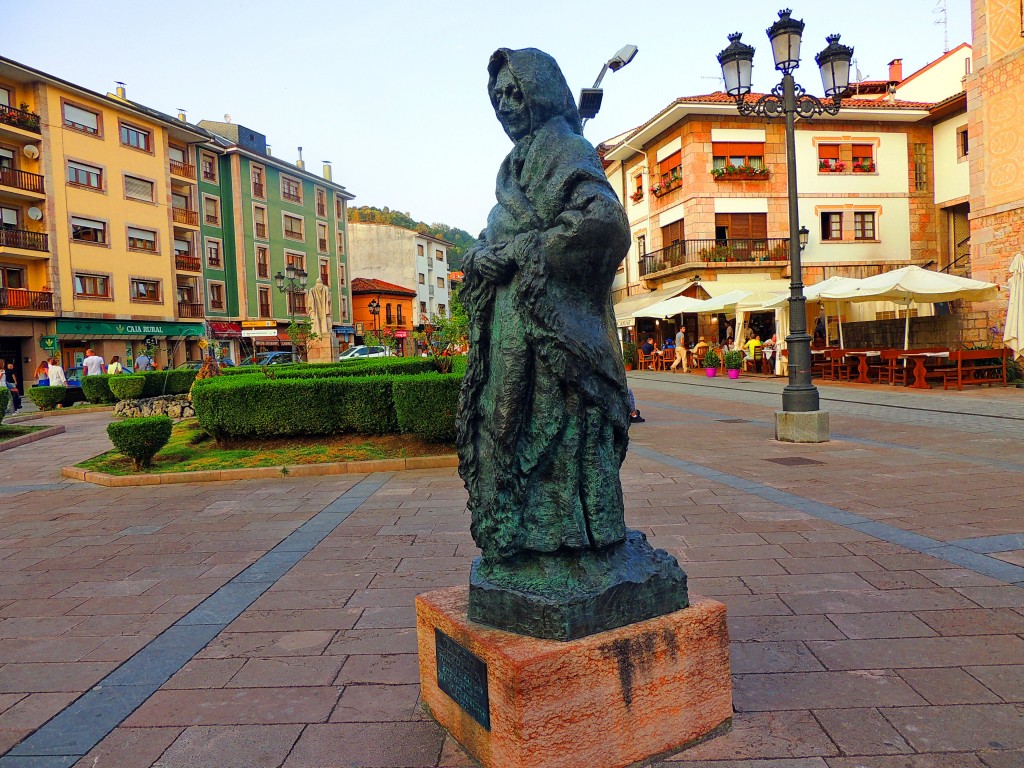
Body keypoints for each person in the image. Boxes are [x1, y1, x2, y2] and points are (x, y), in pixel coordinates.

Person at [458, 47, 632, 562]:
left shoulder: (567, 150)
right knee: (505, 425)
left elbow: (606, 223)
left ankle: (579, 541)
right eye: (497, 99)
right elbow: (494, 234)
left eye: (515, 92)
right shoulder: (510, 170)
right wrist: (483, 258)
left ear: (541, 90)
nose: (506, 106)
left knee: (563, 435)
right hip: (513, 327)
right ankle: (523, 537)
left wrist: (526, 252)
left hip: (558, 330)